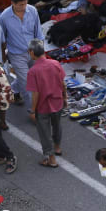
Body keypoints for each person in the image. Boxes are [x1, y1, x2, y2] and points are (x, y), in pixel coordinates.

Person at [0, 0, 43, 107]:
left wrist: (41, 53)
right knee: (27, 82)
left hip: (34, 50)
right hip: (16, 54)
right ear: (12, 3)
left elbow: (38, 32)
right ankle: (32, 110)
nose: (23, 7)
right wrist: (3, 56)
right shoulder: (4, 17)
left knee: (35, 76)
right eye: (20, 5)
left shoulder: (32, 11)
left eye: (25, 3)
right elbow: (2, 38)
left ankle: (13, 90)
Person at [26, 40, 65, 169]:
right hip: (57, 101)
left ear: (32, 53)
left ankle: (51, 158)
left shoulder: (33, 71)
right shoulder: (55, 64)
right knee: (57, 125)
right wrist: (65, 98)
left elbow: (35, 93)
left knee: (44, 132)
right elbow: (63, 83)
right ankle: (57, 147)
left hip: (43, 106)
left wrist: (32, 110)